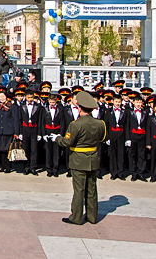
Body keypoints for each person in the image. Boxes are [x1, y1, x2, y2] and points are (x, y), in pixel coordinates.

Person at [57, 91, 106, 225]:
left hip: (78, 159)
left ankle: (76, 217)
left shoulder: (75, 125)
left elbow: (67, 142)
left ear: (79, 108)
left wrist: (58, 139)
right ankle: (92, 216)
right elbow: (102, 138)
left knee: (79, 190)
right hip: (93, 158)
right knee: (92, 189)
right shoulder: (100, 124)